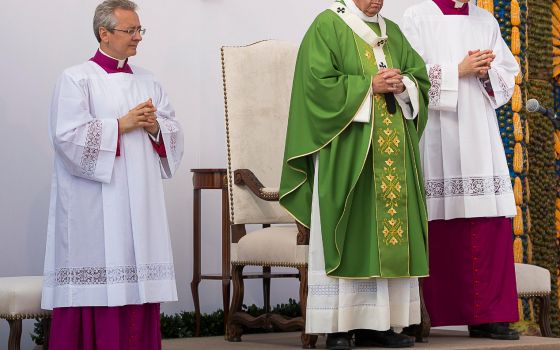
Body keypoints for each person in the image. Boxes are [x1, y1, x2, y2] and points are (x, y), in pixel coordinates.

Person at [279, 0, 430, 348]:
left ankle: (381, 324)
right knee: (350, 230)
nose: (375, 1)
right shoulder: (327, 26)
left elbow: (418, 78)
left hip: (393, 153)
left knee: (387, 234)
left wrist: (404, 85)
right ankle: (337, 326)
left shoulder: (392, 32)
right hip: (348, 152)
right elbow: (315, 86)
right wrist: (369, 86)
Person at [41, 0, 184, 348]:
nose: (138, 37)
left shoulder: (149, 81)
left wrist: (155, 129)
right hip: (95, 207)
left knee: (137, 281)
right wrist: (120, 125)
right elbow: (66, 137)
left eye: (140, 30)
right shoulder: (76, 79)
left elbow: (173, 133)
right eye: (130, 30)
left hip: (141, 202)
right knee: (98, 281)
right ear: (104, 33)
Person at [401, 0, 520, 340]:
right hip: (438, 133)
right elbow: (411, 80)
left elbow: (507, 75)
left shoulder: (485, 20)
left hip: (480, 132)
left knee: (488, 217)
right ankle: (425, 313)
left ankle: (489, 316)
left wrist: (487, 73)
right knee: (436, 217)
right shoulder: (416, 17)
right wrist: (459, 70)